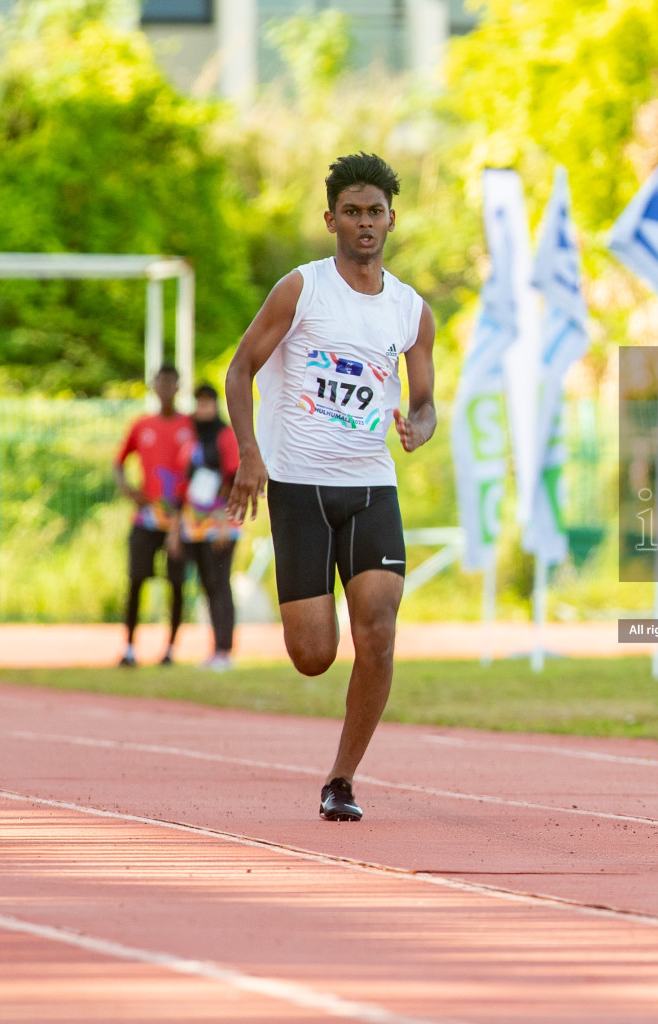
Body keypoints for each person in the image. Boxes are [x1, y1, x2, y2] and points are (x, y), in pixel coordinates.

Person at [225, 152, 437, 822]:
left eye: (375, 211)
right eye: (352, 211)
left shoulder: (411, 311)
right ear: (331, 219)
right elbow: (239, 370)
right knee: (315, 655)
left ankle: (341, 780)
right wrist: (250, 454)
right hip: (299, 488)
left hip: (372, 486)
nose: (365, 222)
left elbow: (427, 402)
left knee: (377, 632)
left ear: (392, 219)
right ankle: (318, 615)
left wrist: (419, 427)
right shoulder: (302, 289)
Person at [115, 365, 194, 667]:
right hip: (146, 517)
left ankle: (171, 649)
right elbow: (118, 461)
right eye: (161, 383)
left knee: (176, 583)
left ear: (178, 387)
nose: (165, 388)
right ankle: (130, 648)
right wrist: (128, 490)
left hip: (178, 518)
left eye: (171, 383)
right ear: (153, 386)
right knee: (136, 580)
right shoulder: (141, 425)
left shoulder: (189, 426)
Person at [167, 384, 240, 671]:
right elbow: (181, 483)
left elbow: (233, 476)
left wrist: (224, 519)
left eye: (208, 403)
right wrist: (176, 526)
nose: (203, 409)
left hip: (220, 522)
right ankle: (215, 649)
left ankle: (225, 649)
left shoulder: (225, 435)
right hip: (193, 522)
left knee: (220, 583)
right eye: (199, 403)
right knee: (207, 584)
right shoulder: (191, 438)